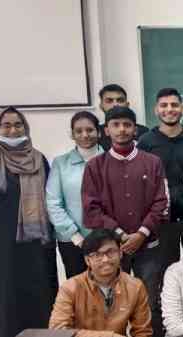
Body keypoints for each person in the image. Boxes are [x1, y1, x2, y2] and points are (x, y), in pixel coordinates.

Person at [82, 106, 169, 337]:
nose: (122, 129)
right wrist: (120, 234)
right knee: (108, 305)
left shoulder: (153, 163)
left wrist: (141, 233)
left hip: (148, 247)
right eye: (116, 125)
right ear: (106, 130)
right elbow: (91, 209)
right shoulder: (94, 166)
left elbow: (162, 202)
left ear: (135, 129)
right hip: (110, 250)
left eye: (127, 124)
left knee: (150, 303)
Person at [0, 106, 56, 337]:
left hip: (35, 245)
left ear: (26, 127)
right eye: (6, 125)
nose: (13, 129)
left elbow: (49, 201)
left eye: (18, 124)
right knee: (2, 301)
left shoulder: (39, 160)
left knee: (37, 297)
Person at [138, 88, 183, 269]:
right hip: (161, 220)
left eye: (174, 105)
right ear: (156, 110)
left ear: (182, 109)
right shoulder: (146, 142)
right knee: (165, 271)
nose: (169, 109)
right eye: (164, 105)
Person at [49, 229, 153, 337]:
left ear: (121, 253)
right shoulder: (70, 287)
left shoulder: (135, 286)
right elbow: (58, 331)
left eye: (110, 252)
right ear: (87, 260)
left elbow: (143, 332)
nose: (105, 259)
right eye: (97, 255)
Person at [46, 111, 104, 278]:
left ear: (98, 132)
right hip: (73, 242)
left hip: (106, 239)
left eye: (90, 130)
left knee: (110, 289)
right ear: (72, 134)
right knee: (80, 293)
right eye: (79, 131)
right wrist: (75, 236)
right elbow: (53, 202)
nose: (85, 135)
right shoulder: (60, 163)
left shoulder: (110, 160)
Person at [97, 84, 149, 150]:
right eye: (109, 101)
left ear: (127, 104)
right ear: (101, 106)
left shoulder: (143, 132)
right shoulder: (96, 133)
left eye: (120, 100)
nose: (115, 104)